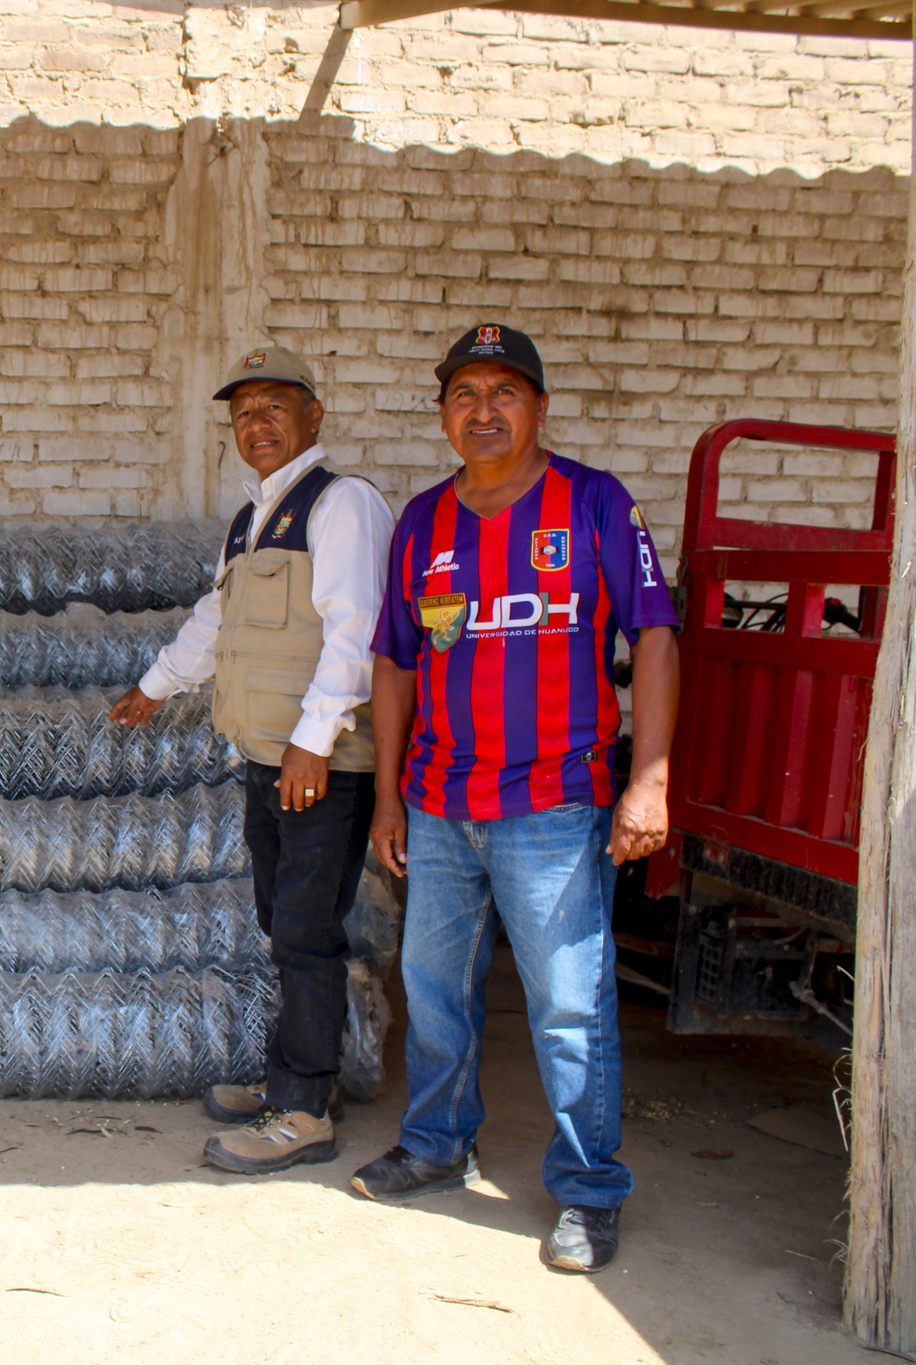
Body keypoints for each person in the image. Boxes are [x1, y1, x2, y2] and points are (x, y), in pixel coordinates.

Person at [349, 324, 679, 1275]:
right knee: (436, 989)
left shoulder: (595, 504)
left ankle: (588, 1189)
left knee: (569, 1004)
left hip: (556, 802)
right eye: (464, 394)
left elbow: (655, 635)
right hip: (442, 803)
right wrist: (389, 795)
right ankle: (438, 1142)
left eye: (505, 392)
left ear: (539, 407)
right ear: (444, 413)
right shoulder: (422, 523)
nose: (483, 411)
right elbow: (396, 660)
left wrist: (649, 779)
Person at [111, 343, 394, 1174]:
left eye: (275, 406)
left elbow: (357, 630)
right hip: (270, 757)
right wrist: (158, 685)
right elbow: (218, 616)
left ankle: (303, 1109)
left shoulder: (341, 505)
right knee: (284, 923)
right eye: (243, 412)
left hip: (320, 763)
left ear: (313, 415)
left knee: (305, 932)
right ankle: (300, 1079)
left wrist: (314, 744)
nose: (257, 423)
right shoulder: (252, 518)